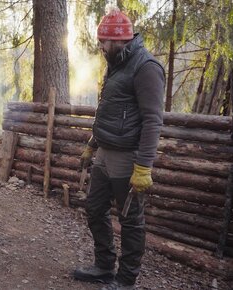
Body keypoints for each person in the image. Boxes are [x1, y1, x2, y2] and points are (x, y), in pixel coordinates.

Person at [73, 6, 165, 290]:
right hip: (104, 154)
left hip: (129, 159)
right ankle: (103, 266)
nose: (100, 46)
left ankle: (125, 281)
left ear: (118, 40)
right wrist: (92, 145)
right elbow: (108, 112)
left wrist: (143, 167)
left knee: (131, 221)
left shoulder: (146, 67)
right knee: (94, 208)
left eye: (104, 42)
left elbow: (153, 121)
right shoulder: (116, 65)